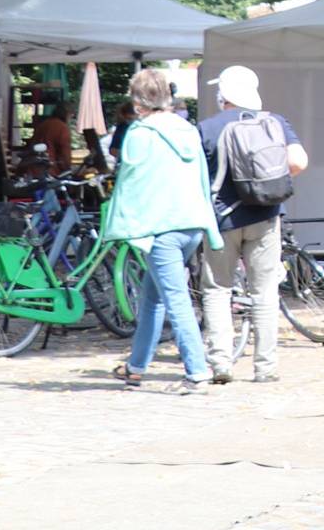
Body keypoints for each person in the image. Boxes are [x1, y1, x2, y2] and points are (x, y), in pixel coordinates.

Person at [104, 68, 222, 392]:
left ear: (138, 101)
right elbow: (201, 175)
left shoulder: (139, 133)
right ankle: (135, 367)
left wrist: (117, 224)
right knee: (152, 297)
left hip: (161, 229)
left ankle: (197, 373)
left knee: (175, 299)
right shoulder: (186, 128)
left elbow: (128, 183)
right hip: (192, 224)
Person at [197, 64, 309, 384]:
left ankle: (220, 362)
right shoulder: (274, 122)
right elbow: (299, 161)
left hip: (222, 220)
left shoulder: (206, 128)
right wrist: (267, 183)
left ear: (224, 96)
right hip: (266, 215)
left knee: (217, 289)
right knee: (265, 292)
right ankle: (266, 367)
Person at [31, 103, 73, 171]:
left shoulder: (43, 124)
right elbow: (65, 155)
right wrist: (68, 169)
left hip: (31, 167)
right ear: (67, 114)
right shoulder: (62, 128)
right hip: (48, 170)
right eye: (71, 114)